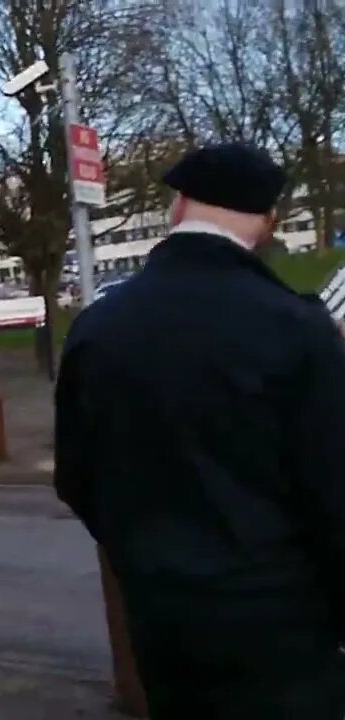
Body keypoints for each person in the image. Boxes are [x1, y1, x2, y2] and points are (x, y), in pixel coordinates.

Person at [55, 142, 345, 719]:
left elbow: (77, 477)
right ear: (266, 222)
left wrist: (147, 557)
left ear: (178, 207)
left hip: (162, 621)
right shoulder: (297, 327)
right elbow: (335, 491)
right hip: (283, 630)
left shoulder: (99, 327)